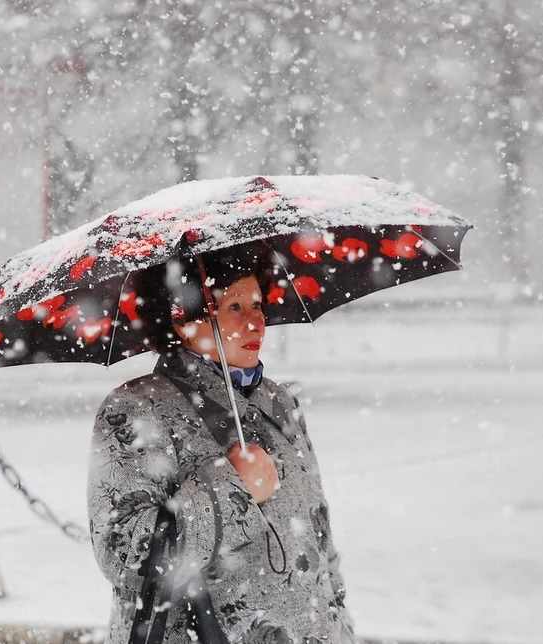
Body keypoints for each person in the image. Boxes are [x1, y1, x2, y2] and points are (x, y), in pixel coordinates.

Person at [88, 250, 355, 643]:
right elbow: (124, 553)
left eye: (258, 304)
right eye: (234, 306)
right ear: (183, 323)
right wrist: (232, 486)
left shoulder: (280, 402)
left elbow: (319, 536)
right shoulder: (136, 408)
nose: (256, 321)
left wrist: (339, 626)